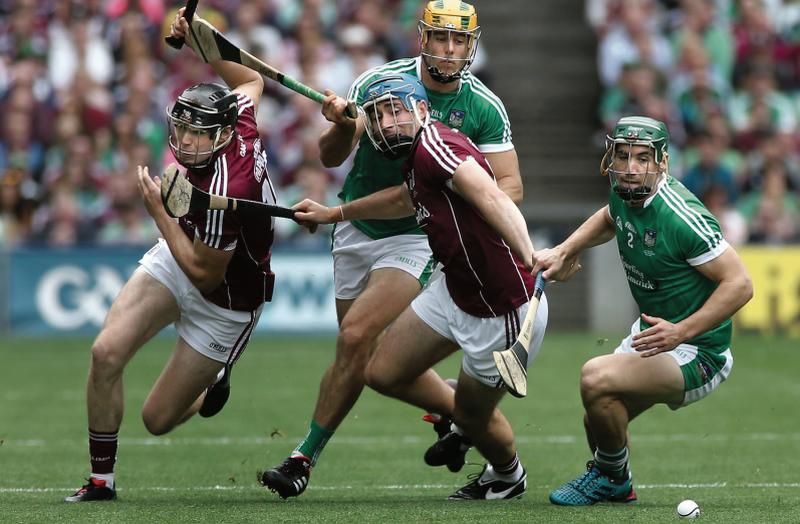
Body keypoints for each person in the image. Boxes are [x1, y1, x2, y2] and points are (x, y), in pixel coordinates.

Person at [259, 0, 523, 499]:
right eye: (440, 38)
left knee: (355, 336)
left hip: (418, 235)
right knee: (368, 359)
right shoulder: (380, 83)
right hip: (359, 227)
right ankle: (457, 415)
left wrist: (453, 196)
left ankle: (302, 458)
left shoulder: (484, 106)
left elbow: (510, 186)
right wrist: (340, 124)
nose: (449, 49)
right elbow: (331, 156)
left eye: (459, 40)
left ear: (472, 44)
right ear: (422, 38)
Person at [292, 73, 548, 500]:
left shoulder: (436, 147)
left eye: (397, 111)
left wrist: (529, 252)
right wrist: (334, 215)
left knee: (471, 416)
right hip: (453, 292)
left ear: (423, 112)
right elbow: (401, 199)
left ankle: (506, 474)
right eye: (378, 116)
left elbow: (493, 197)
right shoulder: (414, 156)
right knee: (381, 371)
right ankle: (456, 405)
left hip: (498, 306)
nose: (389, 124)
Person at [65, 9, 279, 502]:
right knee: (105, 353)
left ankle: (216, 377)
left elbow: (204, 274)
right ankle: (102, 481)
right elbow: (250, 77)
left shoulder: (232, 184)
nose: (183, 141)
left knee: (157, 420)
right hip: (181, 250)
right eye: (180, 129)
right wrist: (202, 39)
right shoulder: (238, 115)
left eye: (196, 133)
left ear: (222, 135)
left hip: (225, 297)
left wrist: (158, 212)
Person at [533, 116, 753, 506]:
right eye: (623, 156)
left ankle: (611, 479)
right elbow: (608, 218)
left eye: (641, 158)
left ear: (662, 161)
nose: (631, 168)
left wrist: (681, 331)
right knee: (599, 417)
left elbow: (740, 285)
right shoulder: (624, 191)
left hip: (699, 351)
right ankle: (615, 480)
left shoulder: (682, 218)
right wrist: (567, 249)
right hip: (653, 335)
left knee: (595, 377)